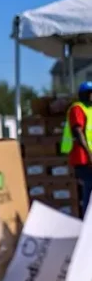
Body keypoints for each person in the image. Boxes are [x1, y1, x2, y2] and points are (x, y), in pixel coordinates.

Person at [60, 81, 92, 217]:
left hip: (89, 156)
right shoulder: (77, 108)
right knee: (89, 190)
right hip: (83, 157)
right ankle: (88, 225)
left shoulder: (90, 109)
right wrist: (89, 154)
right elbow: (78, 132)